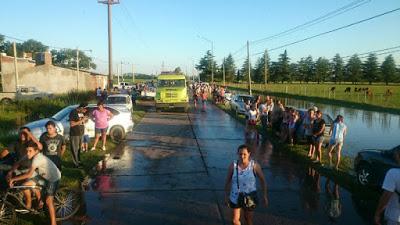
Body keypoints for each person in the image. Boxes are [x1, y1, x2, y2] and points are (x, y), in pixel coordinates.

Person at [8, 142, 61, 225]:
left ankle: (54, 223)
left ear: (36, 151)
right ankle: (35, 203)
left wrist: (13, 179)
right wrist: (10, 172)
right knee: (25, 185)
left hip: (53, 177)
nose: (28, 153)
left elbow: (28, 174)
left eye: (30, 151)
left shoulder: (37, 159)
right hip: (43, 175)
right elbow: (18, 162)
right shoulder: (29, 155)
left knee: (48, 201)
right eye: (27, 151)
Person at [224, 144, 268, 225]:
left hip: (250, 196)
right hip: (235, 196)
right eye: (240, 154)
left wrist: (264, 195)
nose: (242, 156)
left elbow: (263, 180)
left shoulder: (254, 166)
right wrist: (226, 196)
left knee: (248, 219)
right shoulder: (233, 166)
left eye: (244, 154)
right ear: (237, 154)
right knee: (234, 220)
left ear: (249, 154)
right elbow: (227, 181)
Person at [374, 147, 400, 225]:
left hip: (394, 217)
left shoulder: (393, 173)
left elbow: (386, 197)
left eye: (396, 155)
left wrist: (377, 214)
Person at [69, 103, 88, 168]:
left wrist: (85, 120)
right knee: (75, 149)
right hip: (75, 134)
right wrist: (81, 120)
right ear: (81, 108)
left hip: (81, 133)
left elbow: (82, 122)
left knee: (79, 149)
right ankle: (75, 164)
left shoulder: (81, 113)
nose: (85, 111)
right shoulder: (73, 112)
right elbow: (71, 124)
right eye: (84, 109)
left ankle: (79, 162)